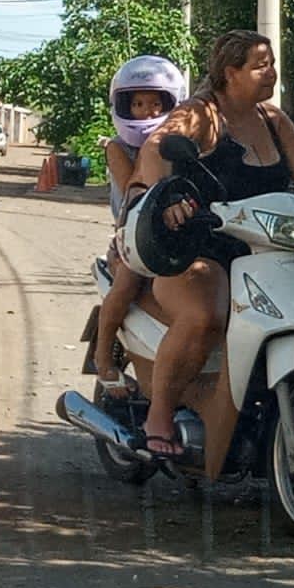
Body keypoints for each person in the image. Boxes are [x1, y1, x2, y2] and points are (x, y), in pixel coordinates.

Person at [125, 30, 294, 458]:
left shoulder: (273, 120)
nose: (271, 71)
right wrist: (168, 198)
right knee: (204, 315)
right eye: (260, 65)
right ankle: (158, 414)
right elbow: (158, 147)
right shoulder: (201, 115)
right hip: (199, 247)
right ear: (230, 73)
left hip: (264, 249)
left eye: (271, 63)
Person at [94, 55, 187, 391]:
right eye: (137, 103)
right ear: (123, 105)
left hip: (173, 236)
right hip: (131, 238)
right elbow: (135, 185)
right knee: (126, 285)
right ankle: (102, 355)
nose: (146, 112)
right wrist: (153, 152)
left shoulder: (176, 146)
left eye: (154, 103)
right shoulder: (117, 149)